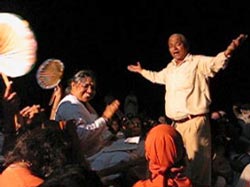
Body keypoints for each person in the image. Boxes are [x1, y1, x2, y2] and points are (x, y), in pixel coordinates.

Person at [127, 33, 247, 187]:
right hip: (175, 126)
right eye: (170, 45)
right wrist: (141, 71)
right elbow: (157, 77)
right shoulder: (170, 68)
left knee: (198, 167)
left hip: (194, 124)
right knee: (179, 167)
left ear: (186, 46)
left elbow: (216, 63)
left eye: (178, 44)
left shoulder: (197, 62)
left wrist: (230, 49)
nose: (174, 48)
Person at [54, 69, 120, 157]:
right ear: (73, 85)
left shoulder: (82, 103)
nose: (89, 91)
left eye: (92, 88)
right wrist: (105, 118)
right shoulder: (70, 105)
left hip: (98, 152)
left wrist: (111, 137)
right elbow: (81, 136)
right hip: (86, 159)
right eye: (86, 86)